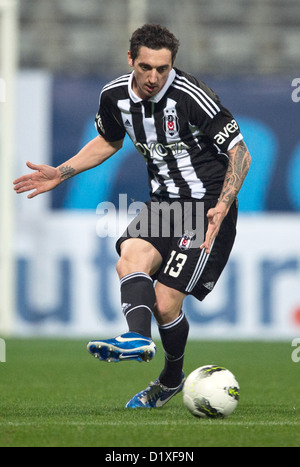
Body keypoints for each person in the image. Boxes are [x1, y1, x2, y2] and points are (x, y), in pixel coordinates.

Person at [14, 24, 251, 409]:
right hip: (163, 204)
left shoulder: (193, 96)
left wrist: (224, 203)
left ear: (172, 64)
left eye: (163, 68)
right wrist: (61, 172)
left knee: (166, 303)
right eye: (146, 67)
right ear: (131, 60)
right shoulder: (113, 96)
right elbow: (110, 138)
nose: (154, 77)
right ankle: (138, 338)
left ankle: (172, 377)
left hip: (206, 207)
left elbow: (241, 154)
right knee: (130, 258)